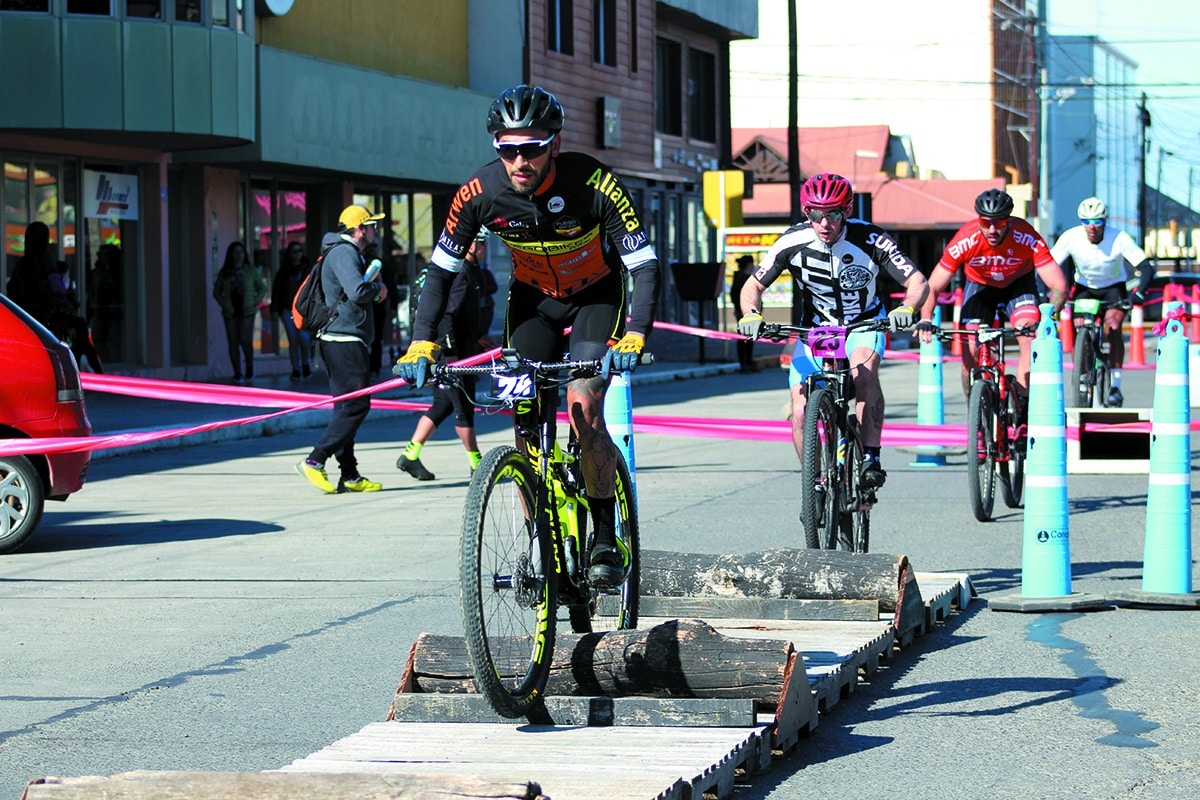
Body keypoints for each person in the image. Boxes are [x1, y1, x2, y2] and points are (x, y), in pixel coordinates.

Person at [394, 84, 659, 589]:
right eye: (507, 148)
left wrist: (636, 334)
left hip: (596, 297)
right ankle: (541, 540)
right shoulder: (479, 192)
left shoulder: (594, 182)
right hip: (532, 302)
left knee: (583, 404)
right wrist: (421, 341)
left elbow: (643, 264)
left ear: (555, 144)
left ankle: (605, 535)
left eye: (532, 148)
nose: (519, 160)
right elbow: (441, 270)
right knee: (525, 418)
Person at [736, 173, 928, 489]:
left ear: (847, 211)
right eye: (815, 214)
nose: (824, 223)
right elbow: (752, 286)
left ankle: (871, 457)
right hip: (815, 329)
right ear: (806, 212)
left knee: (864, 372)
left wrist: (907, 308)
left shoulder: (871, 239)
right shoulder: (791, 242)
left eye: (834, 214)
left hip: (863, 323)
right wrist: (751, 314)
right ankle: (813, 484)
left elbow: (917, 281)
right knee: (800, 410)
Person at [918, 188, 1068, 407]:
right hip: (981, 288)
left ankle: (1023, 403)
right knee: (969, 354)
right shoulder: (966, 239)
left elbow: (1059, 286)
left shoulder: (1027, 236)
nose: (992, 229)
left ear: (1009, 221)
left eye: (999, 223)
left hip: (1018, 285)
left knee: (1028, 337)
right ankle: (976, 410)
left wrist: (1049, 316)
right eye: (985, 222)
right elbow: (933, 286)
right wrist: (926, 318)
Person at [295, 204, 389, 495]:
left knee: (345, 409)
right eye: (372, 226)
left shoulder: (344, 252)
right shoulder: (344, 252)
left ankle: (349, 474)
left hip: (341, 339)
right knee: (358, 405)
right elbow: (357, 292)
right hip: (343, 340)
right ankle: (315, 459)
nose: (375, 231)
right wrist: (378, 290)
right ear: (360, 229)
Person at [395, 231, 488, 481]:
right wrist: (450, 353)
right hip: (453, 355)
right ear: (472, 246)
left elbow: (465, 314)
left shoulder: (467, 271)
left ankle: (410, 455)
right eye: (483, 244)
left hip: (455, 350)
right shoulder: (461, 273)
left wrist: (479, 338)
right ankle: (476, 464)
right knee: (464, 408)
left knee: (443, 405)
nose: (484, 250)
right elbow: (447, 315)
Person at [1049, 197, 1152, 407]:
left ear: (1105, 221)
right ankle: (1082, 375)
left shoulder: (1119, 238)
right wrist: (1045, 293)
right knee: (1079, 330)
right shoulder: (1071, 237)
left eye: (1097, 221)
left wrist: (1140, 293)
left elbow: (1146, 268)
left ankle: (1115, 386)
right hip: (1085, 288)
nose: (1091, 226)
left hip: (1113, 288)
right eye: (1086, 221)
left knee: (1113, 327)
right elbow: (1048, 265)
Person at [212, 241, 267, 382]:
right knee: (233, 341)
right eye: (236, 252)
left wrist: (255, 301)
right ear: (231, 254)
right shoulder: (225, 272)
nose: (239, 255)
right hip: (231, 311)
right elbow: (217, 291)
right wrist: (224, 304)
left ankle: (249, 366)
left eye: (241, 252)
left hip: (247, 310)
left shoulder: (250, 270)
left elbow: (262, 288)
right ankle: (237, 372)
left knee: (245, 339)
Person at [271, 241, 313, 380]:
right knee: (293, 339)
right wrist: (275, 309)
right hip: (287, 308)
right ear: (289, 254)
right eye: (294, 251)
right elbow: (277, 291)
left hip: (303, 310)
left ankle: (306, 363)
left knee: (304, 338)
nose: (297, 254)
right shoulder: (283, 272)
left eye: (299, 251)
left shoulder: (307, 270)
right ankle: (296, 368)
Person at [730, 254, 758, 373]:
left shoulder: (748, 278)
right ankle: (744, 363)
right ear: (748, 265)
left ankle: (749, 362)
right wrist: (738, 310)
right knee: (743, 338)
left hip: (751, 313)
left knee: (750, 337)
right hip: (743, 313)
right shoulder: (741, 279)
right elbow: (736, 296)